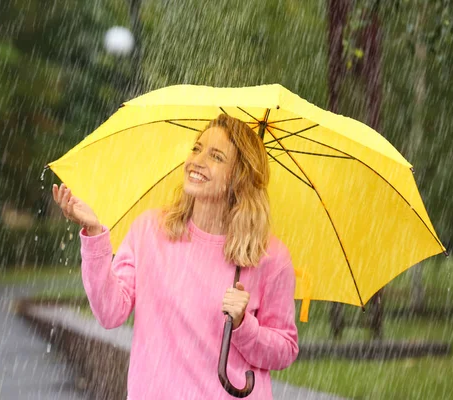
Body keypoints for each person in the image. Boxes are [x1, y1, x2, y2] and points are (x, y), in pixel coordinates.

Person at [52, 114, 299, 399]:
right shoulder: (149, 231)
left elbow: (284, 351)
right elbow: (110, 312)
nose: (197, 160)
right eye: (197, 148)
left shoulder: (270, 257)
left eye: (216, 156)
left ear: (239, 177)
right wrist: (94, 234)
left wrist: (244, 326)